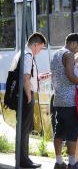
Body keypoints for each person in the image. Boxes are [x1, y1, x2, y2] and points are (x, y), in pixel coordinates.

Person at [10, 32, 46, 168]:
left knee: (23, 129)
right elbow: (25, 78)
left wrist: (41, 77)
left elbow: (27, 76)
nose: (40, 51)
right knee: (24, 129)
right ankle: (23, 160)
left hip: (22, 94)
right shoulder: (28, 55)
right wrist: (29, 97)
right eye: (40, 48)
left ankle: (23, 159)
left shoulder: (21, 53)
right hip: (25, 95)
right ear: (35, 44)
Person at [51, 33, 78, 169]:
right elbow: (70, 76)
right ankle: (72, 163)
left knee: (59, 131)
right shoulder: (69, 54)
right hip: (70, 100)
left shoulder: (56, 54)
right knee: (73, 132)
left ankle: (59, 161)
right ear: (73, 43)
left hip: (58, 99)